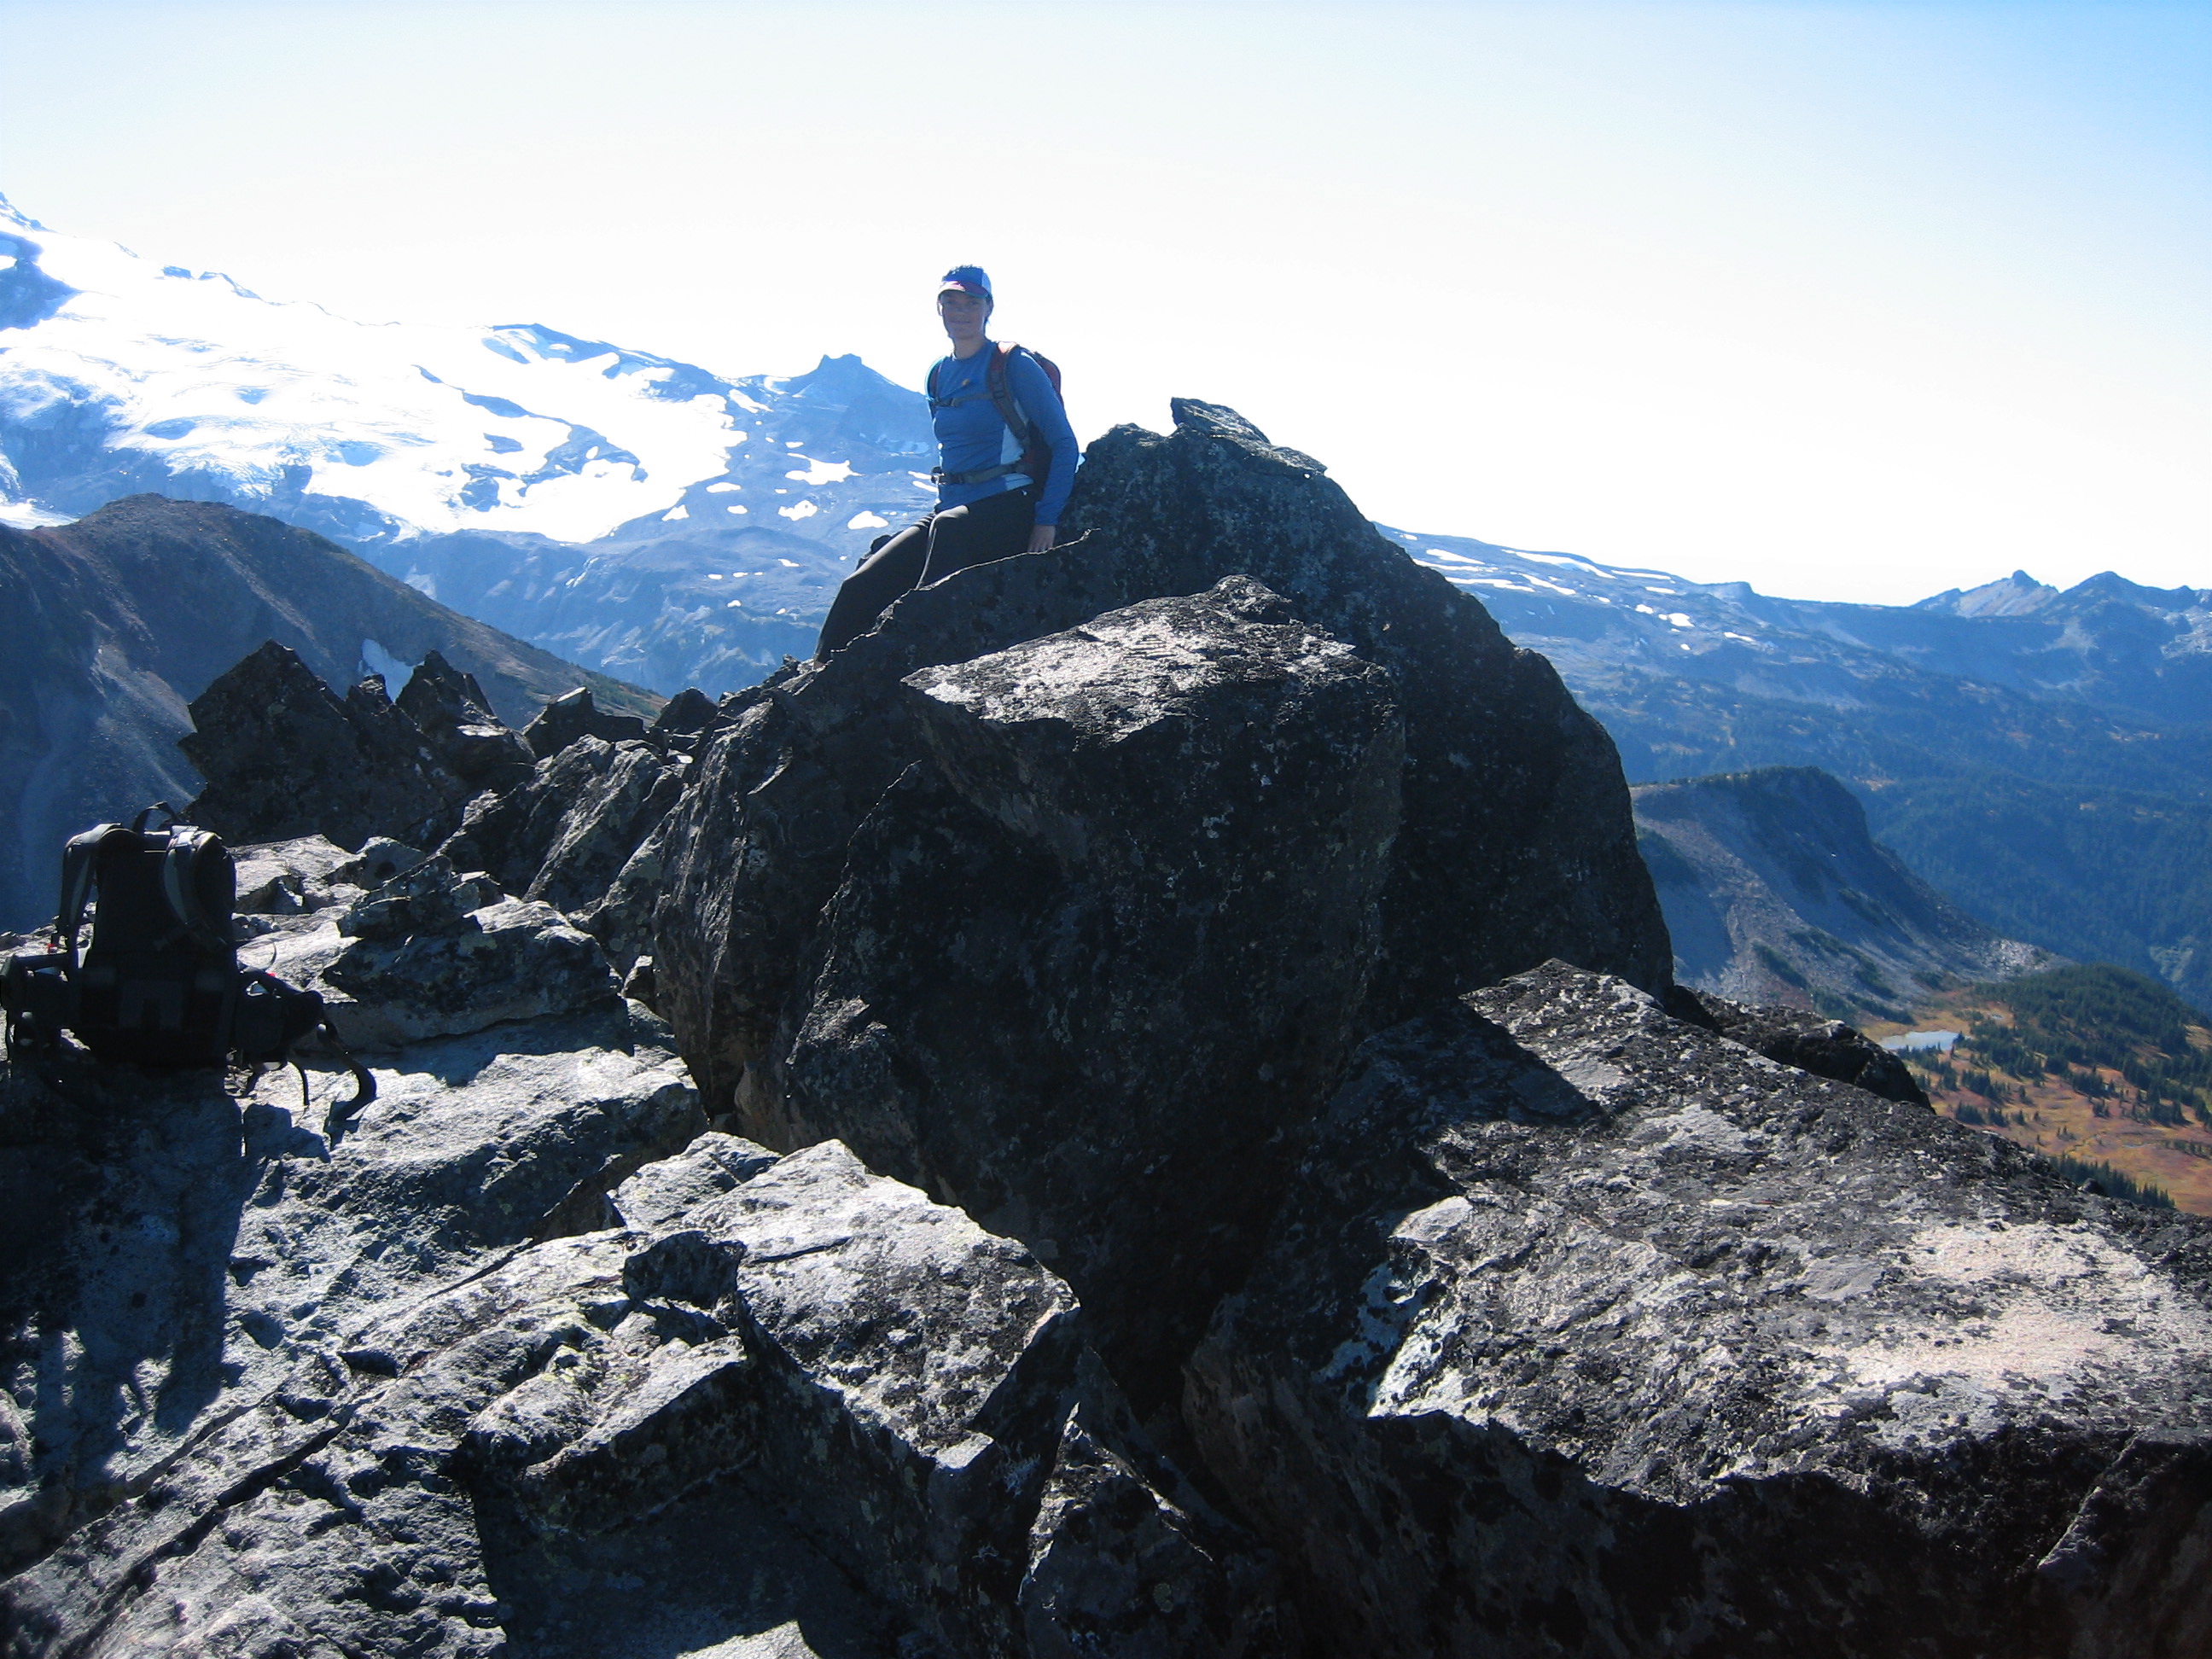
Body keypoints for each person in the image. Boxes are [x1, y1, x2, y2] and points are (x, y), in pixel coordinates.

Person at [813, 265, 1078, 659]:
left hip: (1010, 504)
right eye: (951, 302)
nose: (961, 311)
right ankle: (820, 678)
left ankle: (906, 668)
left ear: (988, 308)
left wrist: (1047, 520)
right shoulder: (939, 374)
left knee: (942, 548)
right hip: (952, 508)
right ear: (939, 309)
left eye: (971, 302)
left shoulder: (1013, 365)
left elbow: (1064, 443)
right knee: (861, 586)